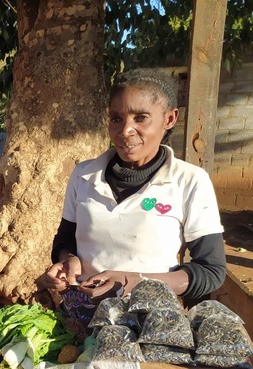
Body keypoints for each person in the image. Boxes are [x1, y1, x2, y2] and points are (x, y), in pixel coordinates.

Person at [43, 68, 226, 325]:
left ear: (169, 119)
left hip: (152, 320)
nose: (126, 130)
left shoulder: (189, 181)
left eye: (141, 118)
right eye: (116, 119)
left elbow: (211, 270)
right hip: (82, 312)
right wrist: (67, 261)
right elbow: (64, 241)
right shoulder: (84, 175)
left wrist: (132, 282)